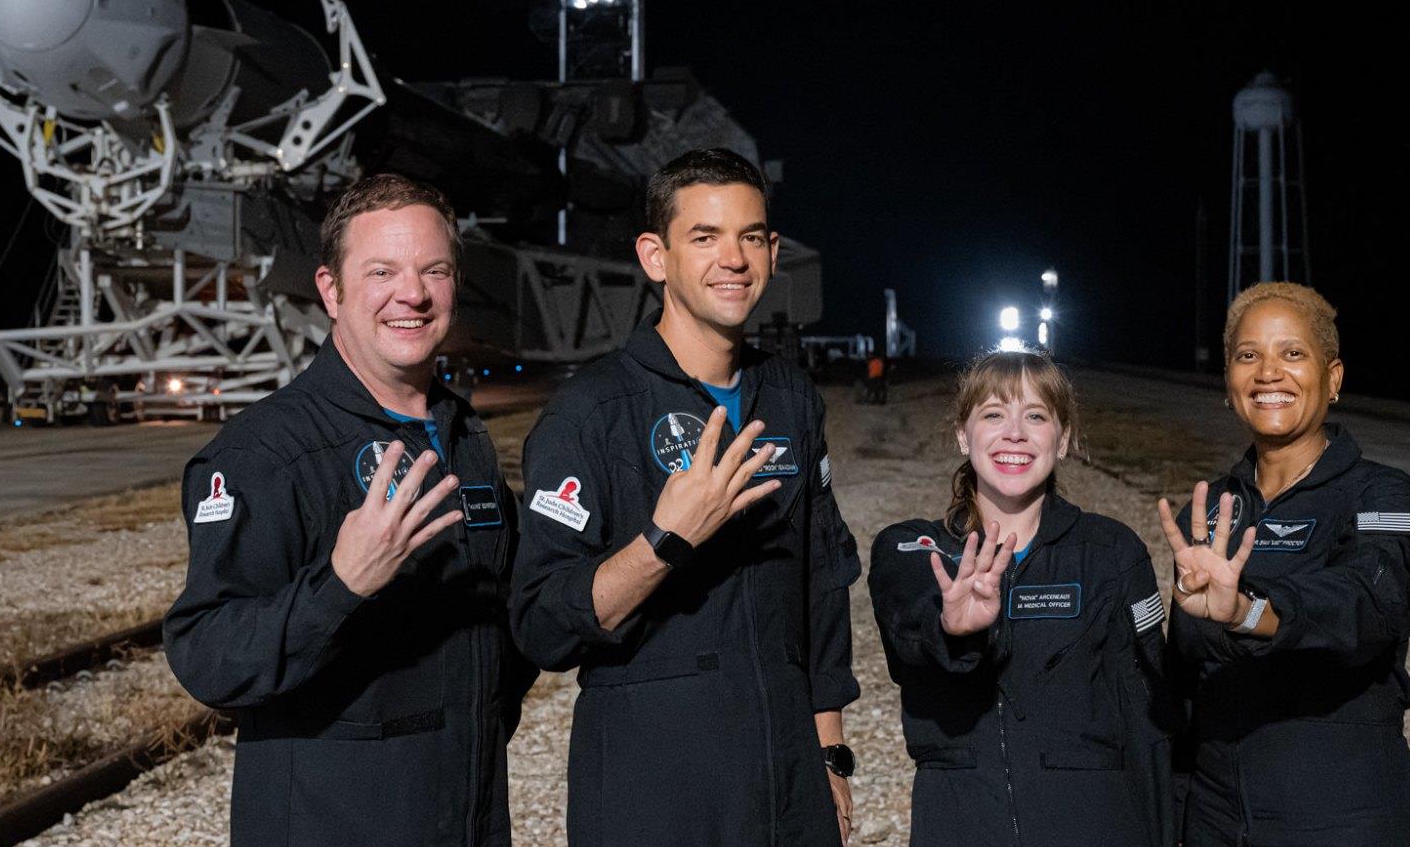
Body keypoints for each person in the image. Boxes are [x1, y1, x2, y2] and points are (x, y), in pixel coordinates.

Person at [162, 173, 535, 847]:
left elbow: (497, 634)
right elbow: (208, 657)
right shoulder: (267, 453)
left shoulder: (462, 437)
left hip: (468, 822)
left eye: (434, 270)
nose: (412, 294)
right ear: (330, 290)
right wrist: (341, 584)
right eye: (382, 270)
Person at [510, 148, 864, 847]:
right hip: (655, 782)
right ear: (655, 255)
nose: (734, 258)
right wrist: (662, 541)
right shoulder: (591, 412)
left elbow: (820, 586)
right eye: (704, 237)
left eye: (752, 236)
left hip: (784, 773)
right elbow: (542, 625)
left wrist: (830, 751)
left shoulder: (788, 396)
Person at [1159, 282, 1410, 847]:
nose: (1269, 373)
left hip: (1339, 810)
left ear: (1333, 378)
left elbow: (1368, 604)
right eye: (1248, 355)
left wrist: (1248, 611)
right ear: (1228, 383)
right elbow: (1182, 683)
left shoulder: (1381, 495)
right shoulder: (1214, 509)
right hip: (1216, 814)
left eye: (1293, 353)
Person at [868, 350, 1174, 846]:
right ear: (963, 435)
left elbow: (1149, 717)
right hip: (962, 824)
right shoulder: (913, 547)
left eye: (1036, 415)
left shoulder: (1112, 552)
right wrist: (952, 628)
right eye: (993, 414)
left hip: (1096, 825)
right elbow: (909, 639)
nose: (1015, 433)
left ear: (1064, 438)